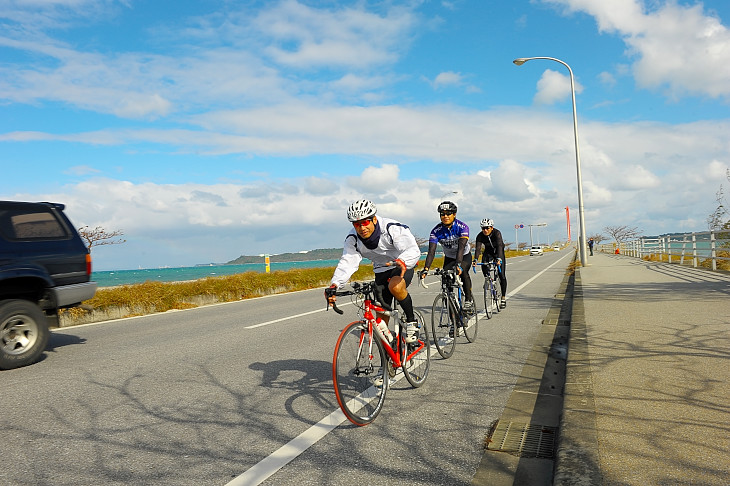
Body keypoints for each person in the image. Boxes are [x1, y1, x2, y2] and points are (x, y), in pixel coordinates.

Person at [325, 199, 421, 343]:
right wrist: (335, 285)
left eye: (365, 222)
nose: (361, 228)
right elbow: (348, 262)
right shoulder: (353, 239)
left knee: (395, 287)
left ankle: (411, 321)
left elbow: (412, 249)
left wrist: (403, 260)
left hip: (401, 264)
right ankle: (391, 351)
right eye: (357, 224)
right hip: (381, 271)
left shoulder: (390, 228)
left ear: (374, 219)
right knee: (380, 325)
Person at [419, 201, 474, 308]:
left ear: (454, 214)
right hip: (449, 257)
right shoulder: (436, 231)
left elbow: (461, 247)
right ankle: (452, 311)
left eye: (448, 213)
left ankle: (468, 299)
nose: (445, 216)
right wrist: (426, 268)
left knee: (463, 273)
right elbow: (431, 252)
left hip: (463, 255)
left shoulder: (462, 227)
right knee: (446, 281)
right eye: (442, 214)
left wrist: (458, 265)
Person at [473, 218, 507, 309]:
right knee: (484, 264)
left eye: (487, 228)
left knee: (502, 275)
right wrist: (475, 259)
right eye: (483, 228)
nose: (485, 230)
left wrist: (499, 258)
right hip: (488, 252)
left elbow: (500, 245)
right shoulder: (480, 236)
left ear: (492, 227)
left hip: (498, 252)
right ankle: (487, 279)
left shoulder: (497, 233)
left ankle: (503, 298)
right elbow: (478, 249)